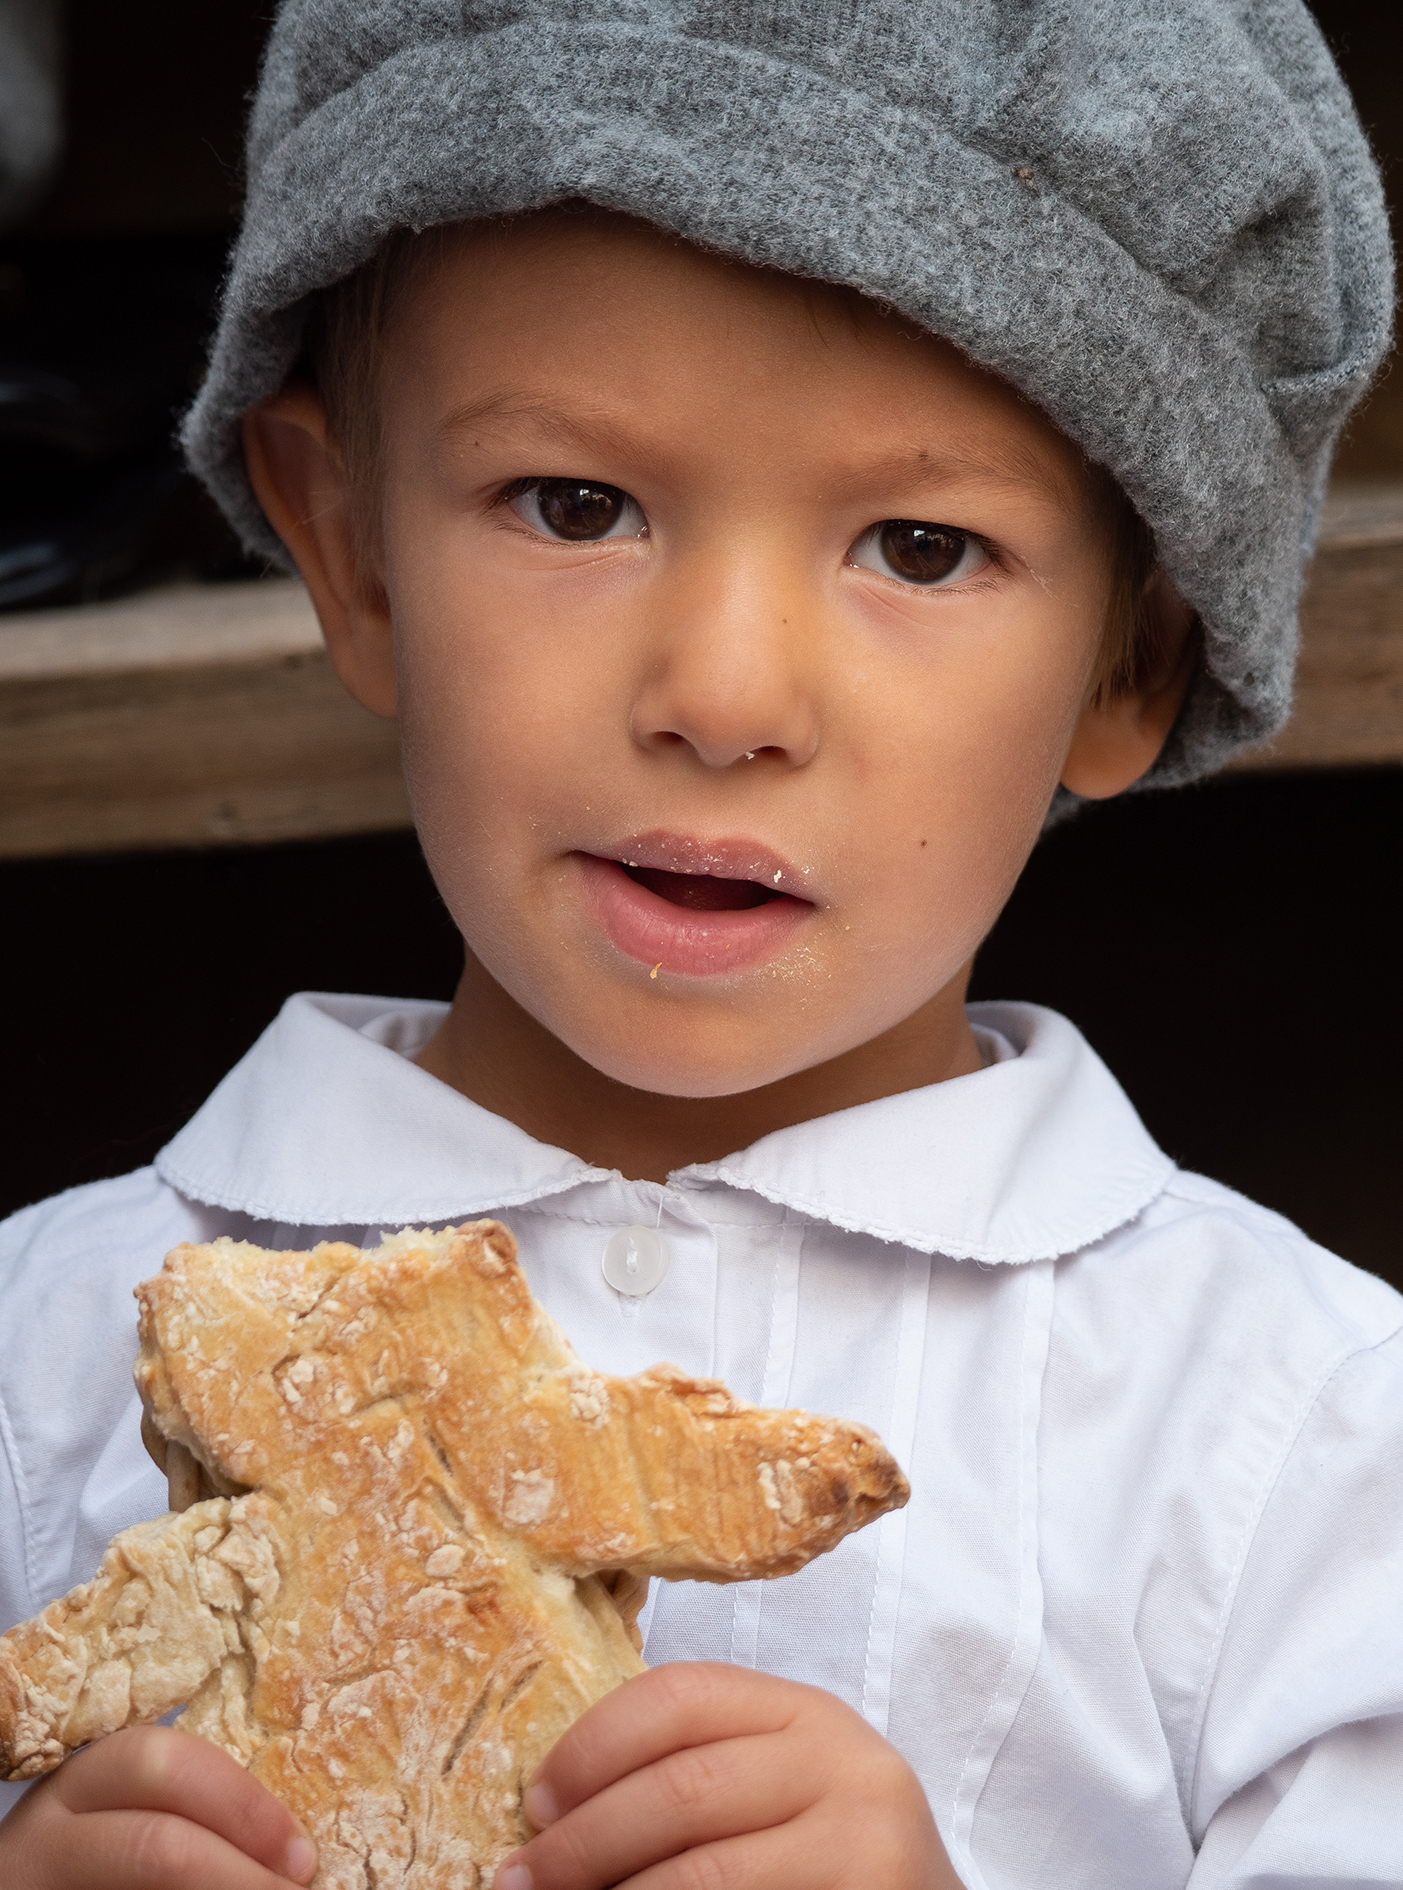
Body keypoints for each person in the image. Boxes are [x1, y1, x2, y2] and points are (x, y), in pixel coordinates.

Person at [1, 2, 1399, 1886]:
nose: (726, 695)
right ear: (350, 552)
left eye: (916, 546)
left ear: (1133, 655)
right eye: (576, 505)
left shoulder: (1304, 1439)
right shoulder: (41, 1354)